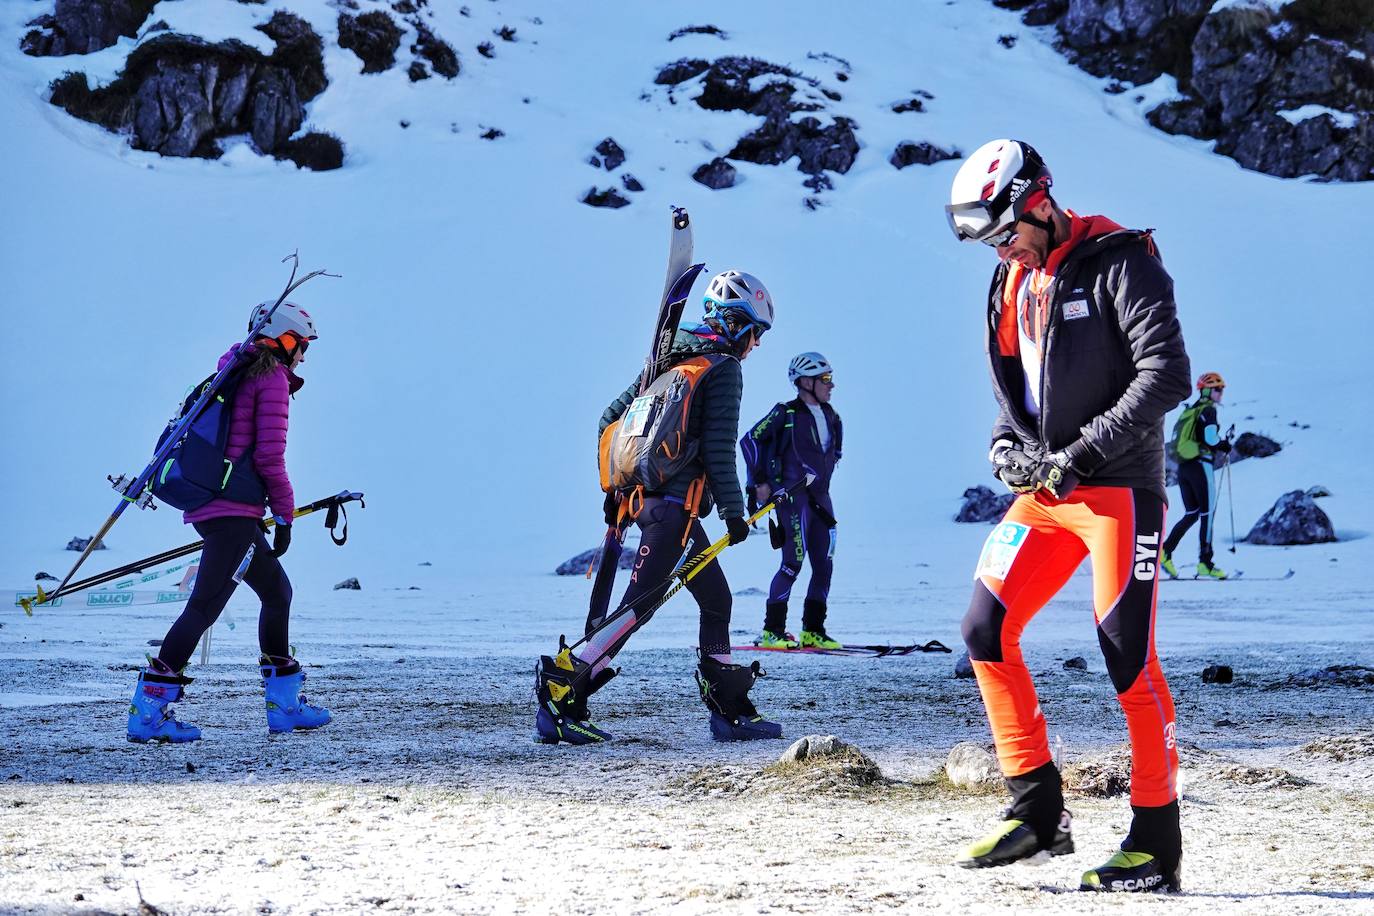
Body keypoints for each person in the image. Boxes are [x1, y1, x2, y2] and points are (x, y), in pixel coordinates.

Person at [943, 139, 1192, 892]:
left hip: (1117, 488)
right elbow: (1012, 393)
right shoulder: (1008, 282)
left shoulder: (1123, 262)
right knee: (985, 629)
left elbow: (1168, 374)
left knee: (1126, 654)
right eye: (990, 243)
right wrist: (1003, 449)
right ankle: (1038, 813)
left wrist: (1078, 453)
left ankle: (1156, 841)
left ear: (1041, 203)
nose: (1003, 251)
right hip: (1046, 493)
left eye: (1007, 233)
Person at [534, 270, 783, 745]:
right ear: (736, 325)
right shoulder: (722, 369)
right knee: (636, 609)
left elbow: (609, 419)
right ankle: (560, 694)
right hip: (675, 513)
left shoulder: (666, 365)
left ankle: (730, 712)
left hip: (652, 507)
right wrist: (734, 513)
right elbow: (718, 448)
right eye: (755, 334)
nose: (754, 347)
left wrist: (619, 486)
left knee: (717, 600)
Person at [126, 301, 331, 743]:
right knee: (205, 607)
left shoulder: (232, 370)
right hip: (233, 510)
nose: (304, 355)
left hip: (219, 506)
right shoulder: (269, 377)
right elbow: (269, 456)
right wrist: (285, 513)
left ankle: (284, 707)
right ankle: (148, 712)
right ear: (285, 339)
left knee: (278, 593)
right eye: (303, 344)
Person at [740, 352, 843, 649]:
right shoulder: (784, 413)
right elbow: (749, 441)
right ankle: (773, 631)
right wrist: (758, 483)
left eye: (830, 378)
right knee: (792, 564)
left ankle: (814, 631)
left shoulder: (833, 417)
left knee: (824, 566)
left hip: (821, 501)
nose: (831, 385)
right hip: (791, 500)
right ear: (805, 382)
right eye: (825, 379)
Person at [1162, 372, 1232, 579]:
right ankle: (1206, 563)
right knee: (1207, 514)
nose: (1221, 393)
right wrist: (1224, 445)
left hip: (1184, 467)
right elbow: (1210, 438)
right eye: (1218, 389)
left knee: (1192, 513)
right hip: (1201, 465)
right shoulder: (1208, 410)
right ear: (1208, 390)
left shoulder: (1192, 410)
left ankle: (1165, 552)